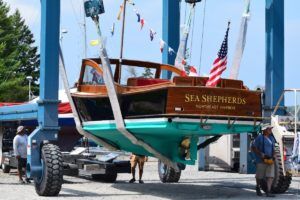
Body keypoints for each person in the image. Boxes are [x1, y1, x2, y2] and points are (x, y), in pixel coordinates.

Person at [251, 124, 276, 197]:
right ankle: (257, 187)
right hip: (261, 160)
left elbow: (274, 148)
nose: (271, 130)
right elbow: (253, 147)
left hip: (270, 160)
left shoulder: (272, 138)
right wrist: (261, 154)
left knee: (270, 176)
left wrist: (274, 156)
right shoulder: (259, 138)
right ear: (264, 130)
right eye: (269, 129)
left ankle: (268, 191)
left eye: (271, 129)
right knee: (259, 176)